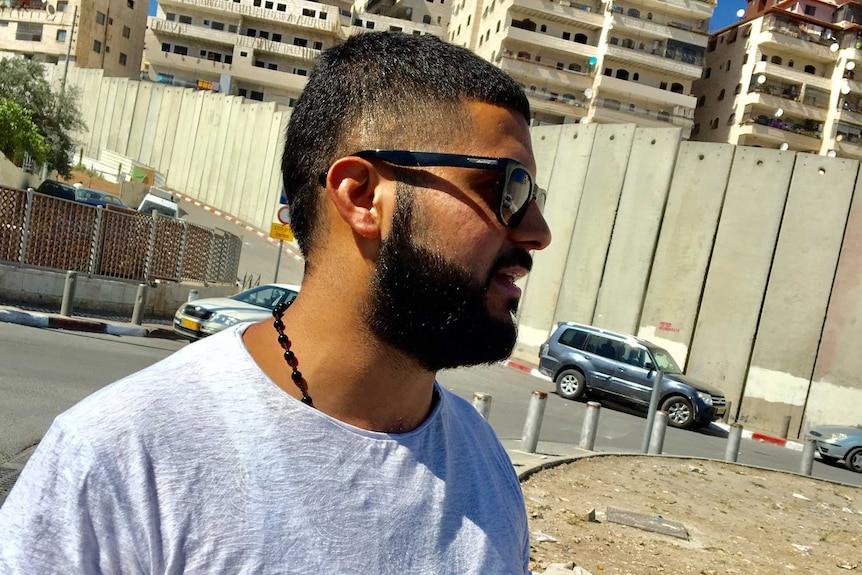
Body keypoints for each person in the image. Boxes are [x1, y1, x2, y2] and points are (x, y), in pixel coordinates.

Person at [0, 32, 551, 572]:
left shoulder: (487, 467)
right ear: (361, 197)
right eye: (508, 189)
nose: (537, 232)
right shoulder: (122, 463)